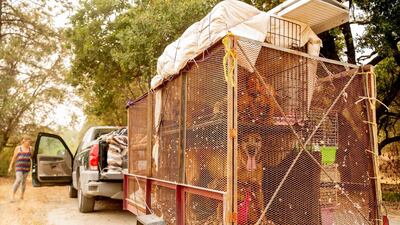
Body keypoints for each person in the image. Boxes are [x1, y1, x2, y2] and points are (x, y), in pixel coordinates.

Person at [8, 136, 33, 201]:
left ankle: (22, 195)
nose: (29, 143)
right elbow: (14, 158)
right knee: (18, 180)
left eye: (30, 142)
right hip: (19, 167)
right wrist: (10, 167)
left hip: (27, 168)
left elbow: (32, 158)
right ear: (24, 141)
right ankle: (12, 195)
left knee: (23, 182)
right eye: (28, 141)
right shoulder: (18, 148)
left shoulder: (30, 148)